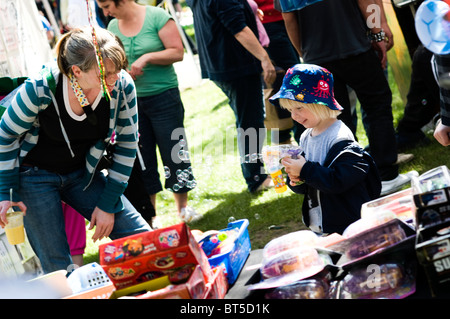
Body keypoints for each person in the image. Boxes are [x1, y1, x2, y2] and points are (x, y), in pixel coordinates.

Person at [0, 27, 152, 274]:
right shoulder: (40, 88)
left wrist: (107, 204)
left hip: (83, 174)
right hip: (33, 175)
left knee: (143, 239)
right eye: (106, 74)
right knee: (57, 267)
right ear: (76, 71)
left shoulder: (122, 86)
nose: (116, 79)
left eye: (118, 70)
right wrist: (6, 193)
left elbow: (126, 145)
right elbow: (5, 134)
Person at [277, 0, 417, 196]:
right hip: (355, 46)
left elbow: (289, 17)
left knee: (333, 118)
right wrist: (377, 32)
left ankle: (348, 176)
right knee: (376, 106)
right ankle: (385, 175)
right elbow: (368, 2)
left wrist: (306, 55)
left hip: (318, 56)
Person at [97, 0, 200, 222]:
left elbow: (178, 52)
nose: (105, 12)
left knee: (174, 151)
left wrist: (147, 57)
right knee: (141, 158)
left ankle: (182, 209)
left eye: (107, 5)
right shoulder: (113, 27)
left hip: (164, 96)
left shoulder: (157, 17)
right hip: (130, 102)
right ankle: (149, 215)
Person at [271, 64, 381, 235]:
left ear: (320, 104)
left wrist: (305, 170)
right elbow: (311, 182)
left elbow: (338, 181)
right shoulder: (306, 137)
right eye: (290, 110)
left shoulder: (340, 139)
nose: (294, 116)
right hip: (322, 225)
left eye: (299, 108)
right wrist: (297, 178)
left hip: (349, 225)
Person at [186, 0, 276, 193]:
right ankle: (256, 177)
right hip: (235, 65)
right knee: (250, 121)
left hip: (220, 64)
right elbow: (238, 29)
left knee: (247, 120)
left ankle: (254, 173)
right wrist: (265, 58)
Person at [254, 0, 301, 144]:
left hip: (291, 15)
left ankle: (296, 139)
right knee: (290, 82)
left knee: (295, 80)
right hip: (268, 23)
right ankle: (288, 141)